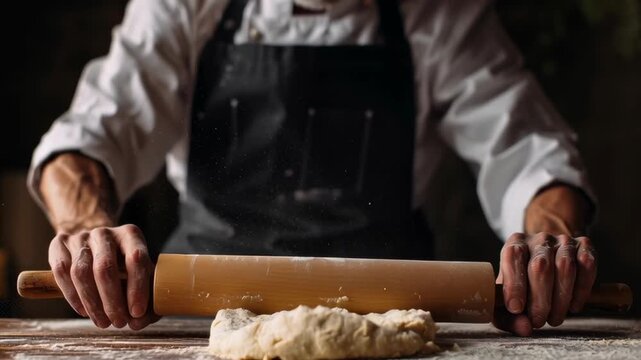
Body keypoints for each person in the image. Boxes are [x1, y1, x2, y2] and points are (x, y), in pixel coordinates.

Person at [28, 0, 596, 336]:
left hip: (391, 319)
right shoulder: (185, 7)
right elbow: (91, 134)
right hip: (200, 318)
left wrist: (550, 243)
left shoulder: (438, 14)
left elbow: (529, 146)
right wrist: (83, 231)